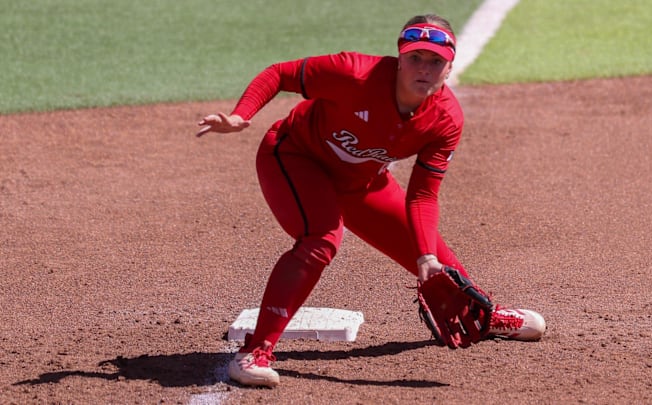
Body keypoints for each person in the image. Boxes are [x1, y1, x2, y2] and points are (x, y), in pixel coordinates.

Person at [196, 14, 545, 388]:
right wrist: (239, 115)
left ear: (448, 67)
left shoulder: (446, 119)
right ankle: (254, 352)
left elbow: (423, 194)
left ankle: (483, 314)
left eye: (435, 61)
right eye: (415, 58)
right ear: (399, 57)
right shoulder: (354, 73)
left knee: (441, 265)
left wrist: (425, 256)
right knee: (321, 238)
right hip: (294, 157)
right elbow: (280, 73)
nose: (423, 69)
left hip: (362, 181)